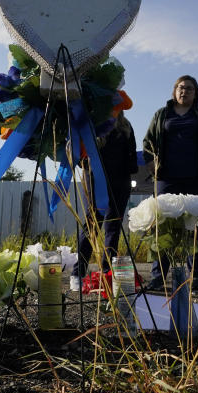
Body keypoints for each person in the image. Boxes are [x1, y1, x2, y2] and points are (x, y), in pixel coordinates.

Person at [142, 75, 198, 291]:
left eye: (189, 88)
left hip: (197, 180)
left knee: (196, 228)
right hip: (167, 179)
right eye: (181, 88)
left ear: (195, 93)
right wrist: (151, 162)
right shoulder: (162, 115)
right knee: (162, 226)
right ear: (174, 91)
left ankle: (195, 276)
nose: (184, 91)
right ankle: (159, 276)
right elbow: (147, 142)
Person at [72, 111, 138, 283]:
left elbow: (131, 155)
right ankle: (78, 272)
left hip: (120, 181)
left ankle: (107, 273)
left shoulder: (126, 125)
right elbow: (80, 156)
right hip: (95, 180)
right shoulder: (91, 123)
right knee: (91, 224)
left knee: (113, 227)